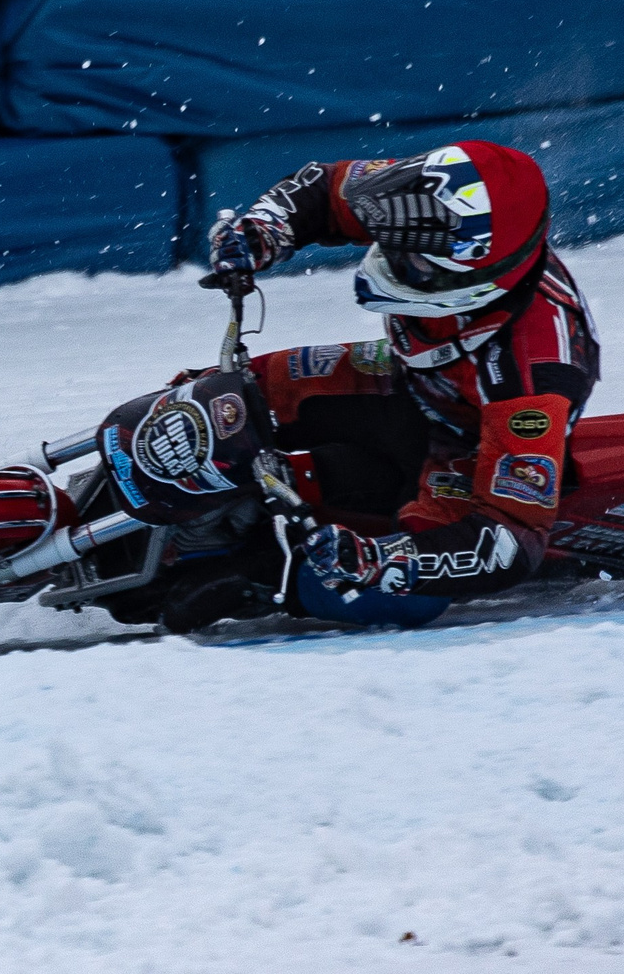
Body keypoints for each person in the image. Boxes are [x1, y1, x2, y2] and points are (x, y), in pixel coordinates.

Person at [203, 141, 598, 617]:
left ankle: (254, 581)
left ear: (468, 282)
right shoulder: (430, 202)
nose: (392, 253)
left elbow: (510, 541)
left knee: (358, 585)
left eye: (414, 258)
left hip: (469, 442)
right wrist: (261, 230)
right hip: (408, 374)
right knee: (232, 391)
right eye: (395, 243)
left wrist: (379, 562)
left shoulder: (534, 380)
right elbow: (325, 187)